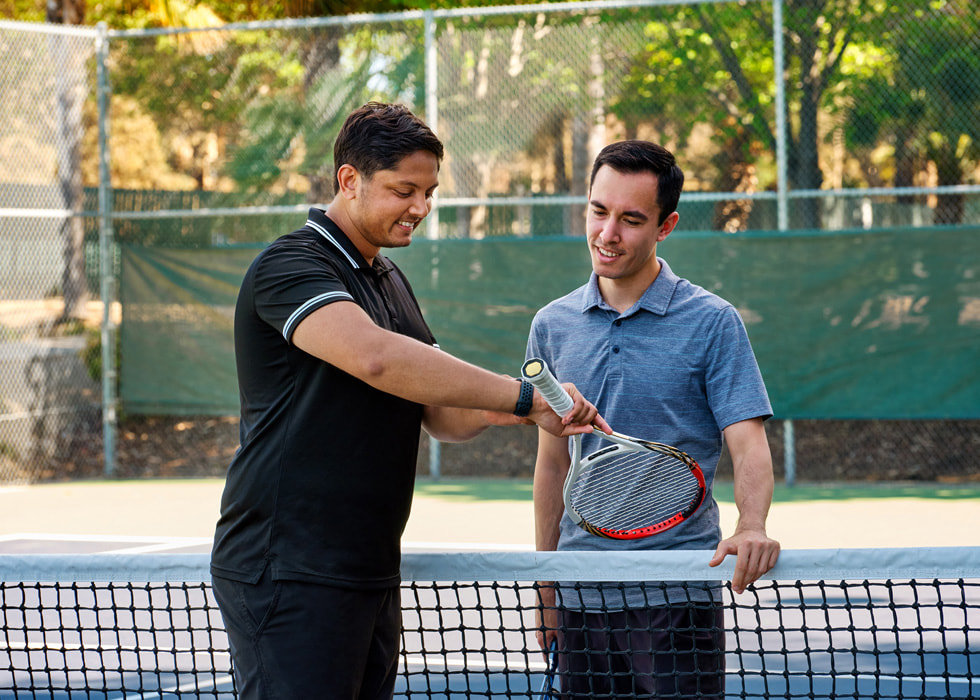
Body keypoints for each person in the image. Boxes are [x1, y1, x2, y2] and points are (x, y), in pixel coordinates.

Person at [210, 102, 606, 700]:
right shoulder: (290, 265)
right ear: (349, 180)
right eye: (404, 190)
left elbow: (443, 414)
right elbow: (378, 359)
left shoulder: (389, 278)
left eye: (428, 191)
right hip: (287, 567)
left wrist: (536, 409)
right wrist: (524, 397)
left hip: (368, 568)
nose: (420, 208)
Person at [528, 140, 780, 698]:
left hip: (678, 593)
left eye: (630, 219)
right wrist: (548, 588)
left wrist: (753, 525)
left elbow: (748, 443)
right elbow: (551, 468)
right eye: (598, 211)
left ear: (666, 225)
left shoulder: (713, 321)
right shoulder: (552, 324)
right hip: (581, 593)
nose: (607, 234)